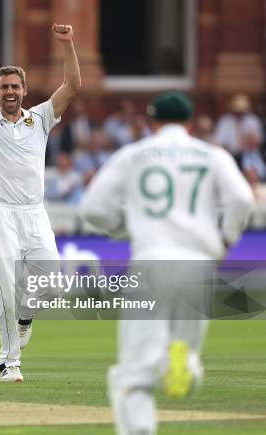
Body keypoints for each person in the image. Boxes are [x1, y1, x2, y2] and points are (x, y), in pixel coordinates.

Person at [79, 91, 254, 435]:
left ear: (151, 123)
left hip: (152, 260)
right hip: (199, 264)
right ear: (190, 124)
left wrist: (124, 228)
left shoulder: (134, 155)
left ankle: (141, 427)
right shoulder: (212, 155)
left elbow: (91, 209)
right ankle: (184, 361)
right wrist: (224, 241)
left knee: (133, 372)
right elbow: (243, 200)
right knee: (184, 352)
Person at [0, 19, 81, 382]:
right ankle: (10, 362)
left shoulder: (40, 118)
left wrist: (68, 44)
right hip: (1, 214)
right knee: (6, 289)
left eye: (15, 86)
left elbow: (72, 85)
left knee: (51, 284)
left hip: (35, 213)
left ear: (24, 90)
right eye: (4, 86)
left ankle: (26, 318)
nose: (10, 91)